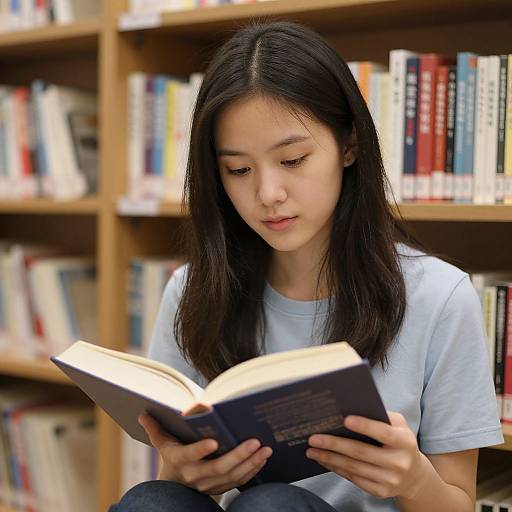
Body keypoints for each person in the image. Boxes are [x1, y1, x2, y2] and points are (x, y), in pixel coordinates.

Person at [109, 20, 503, 512]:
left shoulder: (438, 297)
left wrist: (412, 480)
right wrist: (186, 472)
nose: (268, 194)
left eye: (292, 160)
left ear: (349, 145)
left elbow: (458, 503)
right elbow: (176, 485)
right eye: (238, 170)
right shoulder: (192, 289)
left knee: (270, 506)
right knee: (152, 502)